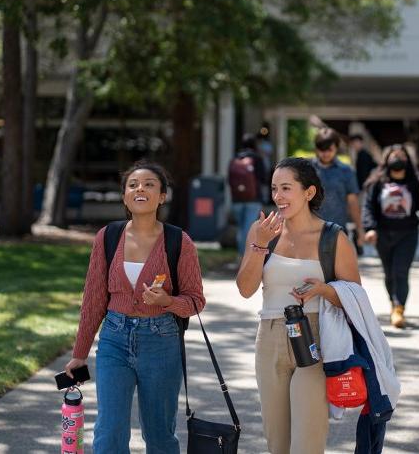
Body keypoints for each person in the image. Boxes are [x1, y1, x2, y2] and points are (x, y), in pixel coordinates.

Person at [64, 161, 206, 453]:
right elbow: (93, 300)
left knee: (160, 434)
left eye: (149, 184)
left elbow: (195, 301)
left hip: (162, 342)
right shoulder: (108, 236)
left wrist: (167, 301)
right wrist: (79, 354)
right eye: (133, 185)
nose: (140, 188)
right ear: (125, 195)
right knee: (109, 431)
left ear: (162, 196)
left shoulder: (180, 241)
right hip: (114, 339)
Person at [236, 157, 361, 454]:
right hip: (269, 338)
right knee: (277, 443)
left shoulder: (334, 237)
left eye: (286, 188)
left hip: (315, 338)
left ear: (309, 192)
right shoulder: (262, 230)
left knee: (306, 443)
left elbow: (355, 298)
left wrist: (322, 290)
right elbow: (245, 288)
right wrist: (260, 245)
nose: (278, 196)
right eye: (274, 189)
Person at [363, 145, 419, 328]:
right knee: (389, 273)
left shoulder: (416, 183)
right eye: (394, 156)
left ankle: (399, 308)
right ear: (387, 160)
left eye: (401, 156)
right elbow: (368, 206)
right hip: (384, 234)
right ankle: (394, 304)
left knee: (401, 271)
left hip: (407, 233)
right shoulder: (377, 182)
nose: (397, 159)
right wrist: (370, 228)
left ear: (407, 160)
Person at [311, 127, 364, 251]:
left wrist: (360, 229)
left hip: (337, 230)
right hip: (310, 229)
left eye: (329, 149)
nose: (325, 153)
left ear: (336, 147)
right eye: (321, 149)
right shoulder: (308, 169)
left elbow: (352, 202)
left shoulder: (346, 171)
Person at [229, 133, 267, 256]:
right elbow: (264, 178)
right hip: (253, 200)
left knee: (241, 230)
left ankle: (241, 257)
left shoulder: (235, 159)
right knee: (249, 230)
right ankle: (246, 258)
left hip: (237, 200)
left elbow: (229, 180)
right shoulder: (257, 158)